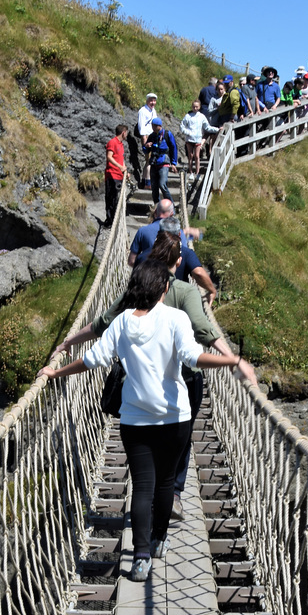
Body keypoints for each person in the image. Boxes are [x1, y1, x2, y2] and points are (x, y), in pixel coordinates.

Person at [40, 260, 244, 581]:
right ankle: (160, 540)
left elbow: (91, 360)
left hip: (134, 421)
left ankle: (141, 556)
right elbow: (192, 357)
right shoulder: (176, 318)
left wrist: (55, 371)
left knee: (142, 487)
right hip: (175, 419)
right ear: (164, 288)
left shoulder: (121, 322)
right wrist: (229, 359)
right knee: (165, 483)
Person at [52, 233, 258, 523]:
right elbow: (204, 331)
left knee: (144, 470)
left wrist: (67, 343)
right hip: (186, 381)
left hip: (139, 397)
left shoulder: (136, 292)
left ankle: (144, 541)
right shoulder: (186, 292)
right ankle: (173, 494)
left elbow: (102, 325)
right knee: (180, 444)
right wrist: (233, 360)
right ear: (179, 260)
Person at [180, 100, 218, 181]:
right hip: (189, 138)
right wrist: (188, 132)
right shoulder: (188, 116)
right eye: (193, 106)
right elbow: (182, 126)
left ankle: (197, 173)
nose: (195, 108)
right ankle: (191, 172)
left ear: (199, 107)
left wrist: (217, 129)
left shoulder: (201, 116)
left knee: (197, 156)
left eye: (197, 106)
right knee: (190, 156)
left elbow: (207, 127)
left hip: (197, 139)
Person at [144, 117, 177, 205]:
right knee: (154, 187)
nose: (153, 128)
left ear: (160, 126)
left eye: (155, 126)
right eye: (152, 126)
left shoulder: (167, 134)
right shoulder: (152, 136)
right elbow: (145, 150)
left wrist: (173, 163)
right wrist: (146, 146)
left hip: (164, 162)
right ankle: (156, 206)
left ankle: (171, 205)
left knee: (162, 185)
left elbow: (173, 148)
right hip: (154, 163)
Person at [104, 124, 128, 226]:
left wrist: (124, 170)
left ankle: (115, 220)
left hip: (119, 175)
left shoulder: (121, 144)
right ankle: (110, 220)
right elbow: (109, 156)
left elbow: (120, 158)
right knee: (111, 198)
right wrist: (119, 166)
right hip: (112, 174)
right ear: (123, 132)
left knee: (117, 199)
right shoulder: (112, 142)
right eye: (126, 132)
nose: (126, 135)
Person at [137, 93, 157, 188]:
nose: (153, 103)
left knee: (148, 161)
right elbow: (141, 127)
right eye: (151, 100)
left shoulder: (153, 111)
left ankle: (144, 180)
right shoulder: (143, 111)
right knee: (149, 160)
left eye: (154, 101)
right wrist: (144, 141)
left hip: (152, 136)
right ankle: (148, 183)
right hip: (146, 137)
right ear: (147, 100)